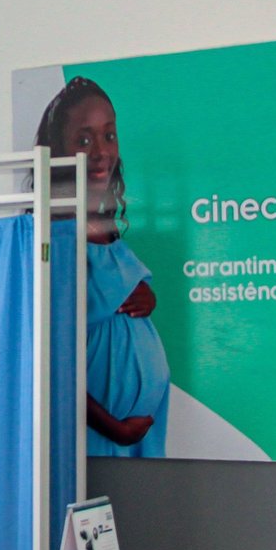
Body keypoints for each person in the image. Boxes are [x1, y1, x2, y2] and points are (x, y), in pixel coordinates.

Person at [35, 76, 170, 458]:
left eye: (108, 136)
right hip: (96, 438)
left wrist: (147, 299)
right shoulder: (52, 238)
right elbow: (50, 364)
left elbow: (117, 293)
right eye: (84, 139)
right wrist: (114, 427)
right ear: (58, 150)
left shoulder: (107, 230)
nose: (100, 151)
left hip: (136, 439)